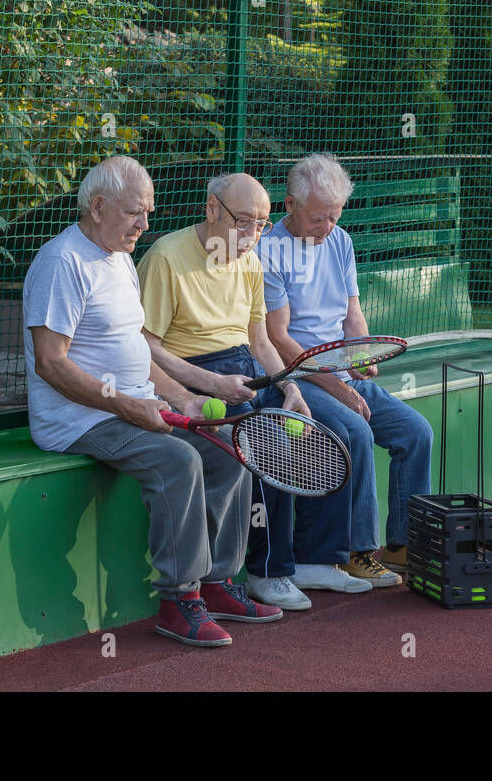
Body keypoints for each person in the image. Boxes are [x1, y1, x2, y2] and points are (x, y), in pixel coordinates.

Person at [23, 155, 282, 648]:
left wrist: (181, 396)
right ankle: (178, 600)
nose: (145, 224)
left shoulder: (118, 257)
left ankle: (218, 582)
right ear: (97, 207)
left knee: (230, 441)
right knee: (179, 459)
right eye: (134, 213)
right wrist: (125, 405)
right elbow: (50, 364)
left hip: (132, 405)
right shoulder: (63, 263)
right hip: (79, 420)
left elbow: (137, 348)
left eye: (148, 212)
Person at [137, 172, 357, 611]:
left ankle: (305, 563)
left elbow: (260, 341)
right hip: (193, 377)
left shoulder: (252, 261)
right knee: (266, 449)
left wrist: (291, 388)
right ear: (212, 208)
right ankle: (263, 574)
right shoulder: (165, 257)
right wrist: (210, 385)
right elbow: (145, 346)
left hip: (249, 370)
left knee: (322, 433)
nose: (253, 234)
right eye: (244, 222)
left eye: (261, 224)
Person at [257, 153, 433, 579]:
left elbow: (352, 313)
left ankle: (402, 546)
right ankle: (354, 553)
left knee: (416, 432)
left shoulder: (341, 241)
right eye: (319, 219)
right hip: (296, 376)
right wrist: (339, 388)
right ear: (289, 206)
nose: (327, 228)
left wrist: (361, 356)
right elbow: (279, 338)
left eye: (334, 217)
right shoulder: (268, 251)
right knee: (354, 430)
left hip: (338, 371)